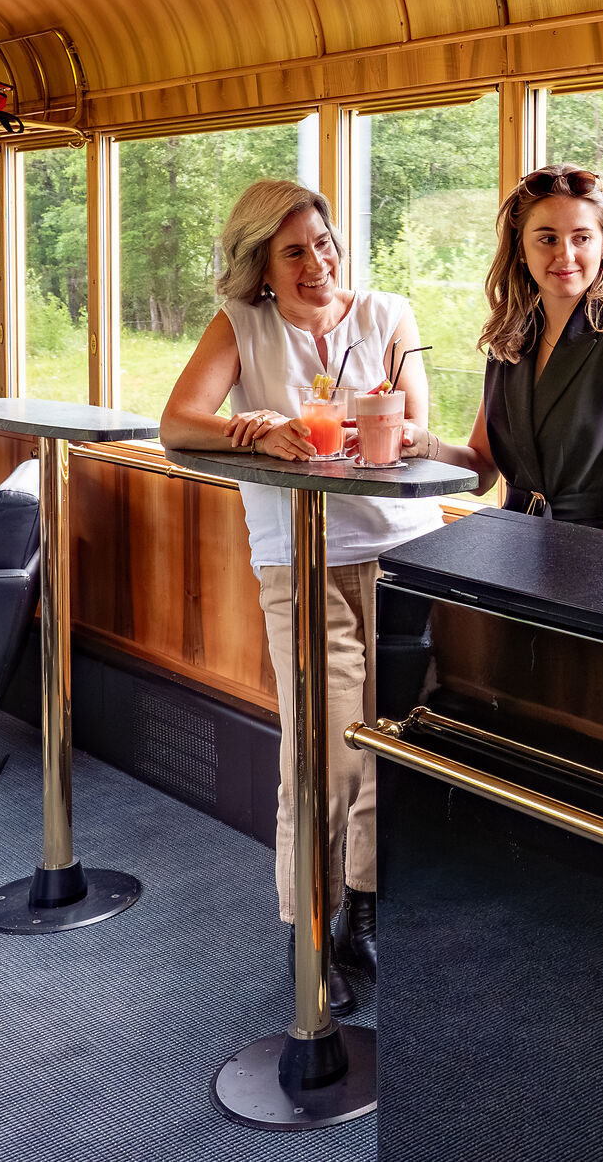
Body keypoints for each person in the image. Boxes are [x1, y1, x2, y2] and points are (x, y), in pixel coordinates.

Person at [160, 178, 439, 1007]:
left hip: (399, 551)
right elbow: (179, 422)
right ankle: (309, 925)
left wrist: (391, 427)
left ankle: (364, 910)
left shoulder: (388, 315)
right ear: (261, 264)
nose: (317, 263)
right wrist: (255, 428)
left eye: (323, 243)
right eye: (294, 251)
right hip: (300, 559)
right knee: (324, 752)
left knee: (388, 743)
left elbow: (417, 426)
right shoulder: (243, 325)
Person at [401, 164, 603, 536]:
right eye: (547, 239)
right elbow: (481, 469)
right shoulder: (509, 340)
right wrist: (423, 445)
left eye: (582, 238)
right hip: (518, 552)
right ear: (521, 250)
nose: (566, 255)